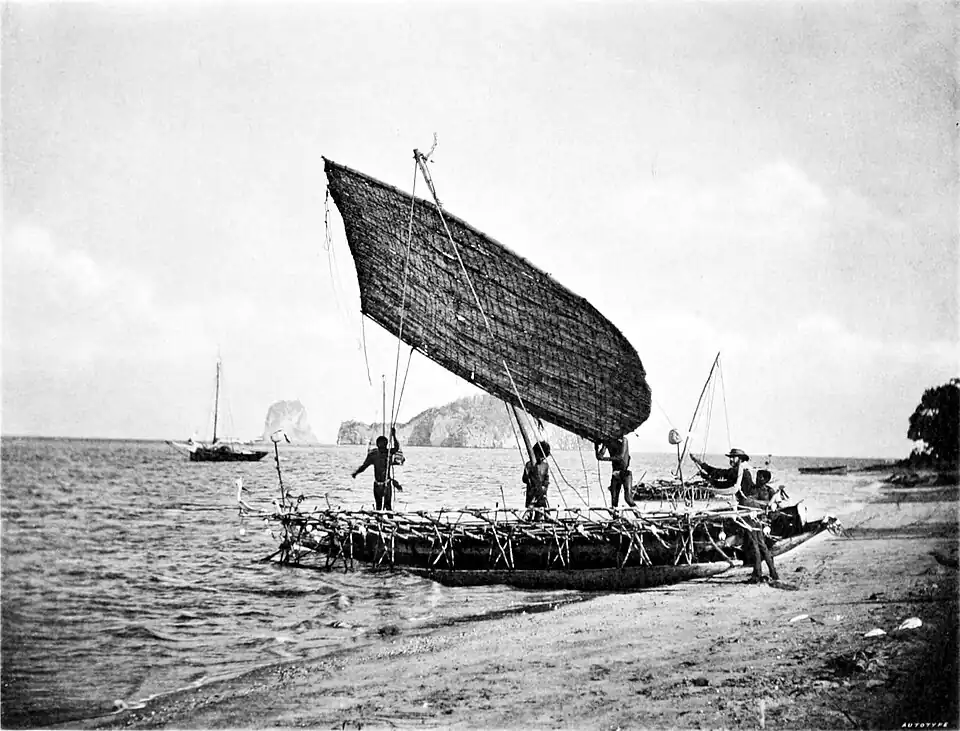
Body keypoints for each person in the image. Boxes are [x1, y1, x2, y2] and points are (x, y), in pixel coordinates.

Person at [690, 448, 779, 583]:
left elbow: (721, 477)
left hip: (746, 505)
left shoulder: (739, 470)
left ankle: (758, 575)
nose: (731, 460)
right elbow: (722, 478)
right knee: (760, 542)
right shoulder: (744, 470)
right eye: (731, 458)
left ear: (740, 458)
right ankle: (773, 573)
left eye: (733, 457)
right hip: (752, 506)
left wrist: (702, 467)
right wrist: (707, 475)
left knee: (753, 542)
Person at [351, 428, 402, 510]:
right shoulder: (373, 455)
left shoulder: (388, 453)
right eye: (381, 445)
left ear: (386, 445)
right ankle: (380, 521)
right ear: (378, 445)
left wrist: (394, 436)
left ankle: (390, 521)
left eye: (384, 445)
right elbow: (364, 466)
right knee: (378, 506)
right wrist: (356, 473)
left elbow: (396, 447)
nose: (383, 448)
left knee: (388, 506)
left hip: (387, 484)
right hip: (377, 485)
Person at [595, 436, 636, 508]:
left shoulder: (624, 440)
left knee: (628, 499)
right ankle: (616, 518)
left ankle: (639, 515)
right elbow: (599, 457)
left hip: (625, 473)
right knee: (614, 501)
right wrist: (596, 447)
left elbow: (621, 457)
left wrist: (605, 458)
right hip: (615, 474)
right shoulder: (607, 441)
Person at [522, 441, 551, 520]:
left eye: (543, 456)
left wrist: (544, 487)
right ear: (534, 453)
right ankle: (528, 523)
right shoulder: (529, 464)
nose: (541, 458)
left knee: (540, 512)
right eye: (539, 455)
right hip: (531, 492)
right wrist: (529, 479)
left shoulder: (545, 466)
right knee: (529, 512)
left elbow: (546, 479)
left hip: (541, 494)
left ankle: (539, 523)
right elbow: (524, 479)